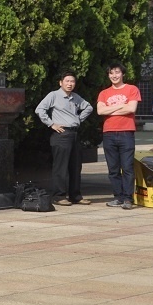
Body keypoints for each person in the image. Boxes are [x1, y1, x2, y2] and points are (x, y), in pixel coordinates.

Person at [35, 71, 94, 206]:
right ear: (61, 82)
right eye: (67, 81)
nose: (69, 84)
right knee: (60, 167)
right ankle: (59, 196)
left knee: (75, 166)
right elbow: (40, 109)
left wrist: (78, 119)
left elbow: (88, 107)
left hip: (74, 134)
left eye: (72, 81)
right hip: (61, 134)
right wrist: (51, 124)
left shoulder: (75, 97)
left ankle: (75, 196)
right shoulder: (54, 95)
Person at [97, 62, 141, 210]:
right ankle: (118, 197)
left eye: (117, 72)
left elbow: (132, 108)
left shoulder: (131, 89)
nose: (114, 76)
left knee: (127, 167)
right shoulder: (104, 93)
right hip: (108, 133)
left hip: (126, 132)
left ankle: (128, 199)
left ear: (122, 74)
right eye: (111, 73)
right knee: (113, 168)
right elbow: (100, 111)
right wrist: (121, 106)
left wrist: (109, 109)